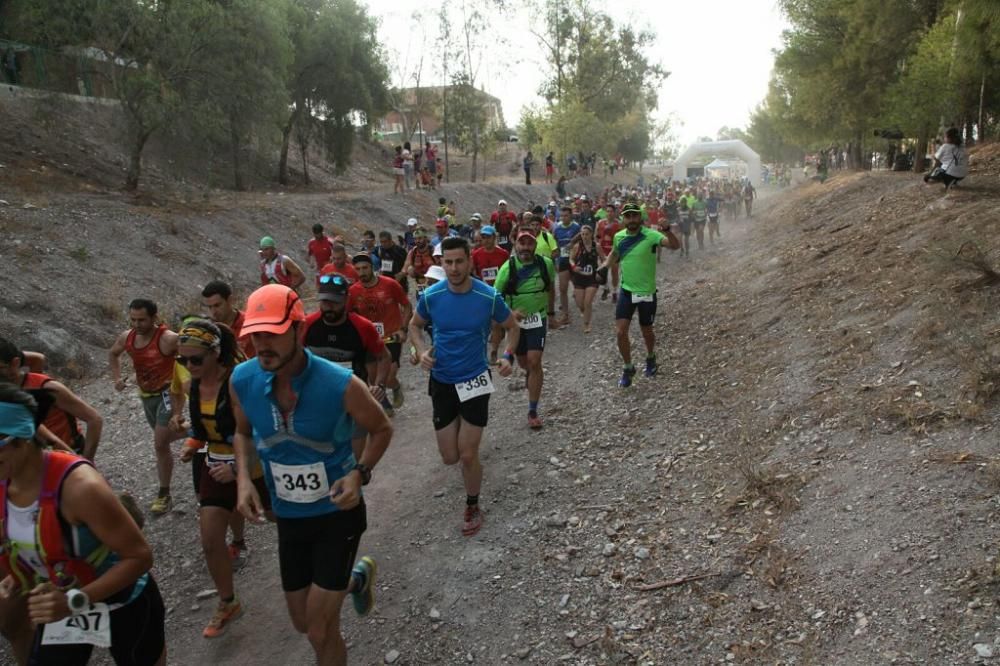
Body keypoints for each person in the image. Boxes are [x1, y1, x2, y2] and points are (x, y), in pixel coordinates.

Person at [229, 285, 391, 666]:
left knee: (320, 630)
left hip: (338, 514)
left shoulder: (341, 384)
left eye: (272, 333)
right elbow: (240, 431)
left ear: (299, 330)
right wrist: (242, 480)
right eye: (255, 335)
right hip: (289, 517)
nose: (262, 344)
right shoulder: (242, 379)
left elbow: (382, 428)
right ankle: (354, 581)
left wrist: (360, 474)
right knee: (302, 622)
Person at [0, 382, 167, 666]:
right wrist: (20, 573)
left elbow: (140, 557)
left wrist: (74, 601)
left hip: (122, 602)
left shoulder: (80, 488)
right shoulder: (5, 482)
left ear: (22, 437)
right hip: (62, 604)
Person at [408, 237, 519, 536]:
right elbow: (414, 326)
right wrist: (420, 351)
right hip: (442, 380)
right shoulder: (431, 296)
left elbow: (512, 327)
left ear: (470, 261)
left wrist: (507, 355)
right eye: (448, 262)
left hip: (475, 379)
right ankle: (462, 438)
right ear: (441, 264)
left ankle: (472, 503)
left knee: (467, 454)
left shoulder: (488, 297)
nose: (454, 268)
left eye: (459, 261)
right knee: (450, 457)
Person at [173, 319, 268, 639]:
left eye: (195, 360)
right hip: (215, 465)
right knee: (210, 539)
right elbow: (201, 429)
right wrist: (191, 444)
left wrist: (240, 470)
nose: (188, 366)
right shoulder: (196, 386)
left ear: (215, 353)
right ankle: (228, 602)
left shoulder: (238, 381)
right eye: (182, 360)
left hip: (254, 467)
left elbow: (259, 430)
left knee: (291, 524)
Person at [302, 274, 391, 457]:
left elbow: (383, 357)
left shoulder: (363, 327)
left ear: (346, 300)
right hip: (318, 398)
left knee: (353, 461)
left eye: (334, 302)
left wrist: (379, 386)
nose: (328, 307)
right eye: (324, 301)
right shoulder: (307, 325)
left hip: (354, 396)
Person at [108, 299, 181, 514]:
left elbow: (193, 352)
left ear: (154, 318)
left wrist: (188, 383)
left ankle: (164, 493)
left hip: (168, 394)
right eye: (133, 319)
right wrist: (117, 378)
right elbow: (113, 353)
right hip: (146, 396)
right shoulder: (127, 337)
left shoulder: (167, 339)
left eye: (142, 320)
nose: (137, 324)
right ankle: (198, 433)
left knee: (159, 444)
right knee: (165, 439)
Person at [603, 202, 680, 388]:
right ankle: (628, 367)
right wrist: (604, 268)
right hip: (626, 291)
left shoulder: (651, 235)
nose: (631, 220)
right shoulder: (619, 236)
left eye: (634, 216)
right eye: (627, 216)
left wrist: (668, 230)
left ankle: (651, 356)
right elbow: (614, 253)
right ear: (623, 219)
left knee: (647, 330)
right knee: (620, 331)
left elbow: (674, 246)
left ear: (640, 217)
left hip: (647, 292)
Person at [0, 337, 103, 460]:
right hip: (29, 460)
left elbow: (94, 419)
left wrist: (86, 462)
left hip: (67, 456)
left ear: (15, 363)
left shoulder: (47, 387)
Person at [493, 232, 556, 430]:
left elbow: (551, 287)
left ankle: (533, 410)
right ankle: (528, 372)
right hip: (515, 325)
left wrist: (552, 313)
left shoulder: (546, 264)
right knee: (523, 362)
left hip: (538, 318)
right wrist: (510, 314)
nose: (526, 247)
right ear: (516, 245)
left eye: (530, 243)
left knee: (535, 360)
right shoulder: (507, 268)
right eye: (522, 243)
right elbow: (495, 297)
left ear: (535, 245)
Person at [349, 254, 411, 412]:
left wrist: (403, 329)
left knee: (389, 376)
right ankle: (384, 404)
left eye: (365, 268)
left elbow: (407, 306)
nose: (362, 272)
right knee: (373, 376)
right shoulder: (353, 292)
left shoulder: (390, 284)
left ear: (372, 268)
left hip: (391, 335)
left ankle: (395, 386)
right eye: (358, 269)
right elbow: (349, 316)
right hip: (370, 339)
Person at [470, 226, 510, 363]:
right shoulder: (476, 254)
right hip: (482, 292)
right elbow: (472, 271)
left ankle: (493, 351)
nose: (485, 240)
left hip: (499, 292)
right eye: (483, 237)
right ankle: (482, 350)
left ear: (494, 237)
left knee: (496, 323)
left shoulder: (503, 254)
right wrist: (478, 281)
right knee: (483, 323)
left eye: (488, 237)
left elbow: (509, 272)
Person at [201, 280, 256, 359]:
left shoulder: (250, 323)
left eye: (217, 305)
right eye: (210, 307)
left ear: (230, 300)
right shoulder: (207, 329)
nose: (213, 312)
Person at [569, 225, 605, 334]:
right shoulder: (577, 246)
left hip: (592, 278)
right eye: (582, 234)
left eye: (587, 234)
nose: (584, 236)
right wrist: (574, 267)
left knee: (587, 302)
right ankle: (585, 313)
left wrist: (600, 272)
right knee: (581, 304)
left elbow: (604, 260)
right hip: (579, 277)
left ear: (591, 234)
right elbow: (570, 259)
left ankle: (587, 324)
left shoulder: (597, 246)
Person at [552, 208, 581, 327]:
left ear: (571, 216)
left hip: (575, 261)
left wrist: (573, 242)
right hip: (563, 260)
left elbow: (582, 237)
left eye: (566, 216)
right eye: (562, 216)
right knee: (563, 289)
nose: (564, 218)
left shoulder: (576, 227)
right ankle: (565, 315)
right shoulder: (557, 228)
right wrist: (556, 259)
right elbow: (554, 243)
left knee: (578, 287)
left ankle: (584, 307)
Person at [596, 203, 622, 301]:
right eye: (608, 211)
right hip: (603, 250)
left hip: (614, 251)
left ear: (615, 213)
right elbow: (597, 236)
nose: (609, 213)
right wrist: (598, 247)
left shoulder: (619, 224)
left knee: (614, 271)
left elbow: (621, 238)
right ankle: (606, 288)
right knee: (603, 271)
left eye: (611, 211)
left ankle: (615, 291)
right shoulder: (600, 222)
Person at [403, 228, 437, 294]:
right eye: (415, 239)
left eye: (420, 238)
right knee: (410, 269)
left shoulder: (433, 250)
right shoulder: (413, 252)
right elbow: (405, 268)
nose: (417, 241)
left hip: (434, 284)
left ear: (425, 238)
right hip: (420, 284)